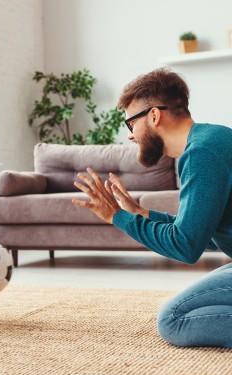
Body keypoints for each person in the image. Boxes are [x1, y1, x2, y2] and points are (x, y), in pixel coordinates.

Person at [72, 67, 232, 348]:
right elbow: (207, 237)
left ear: (154, 116)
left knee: (173, 319)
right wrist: (142, 214)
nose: (131, 135)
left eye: (130, 124)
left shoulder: (201, 153)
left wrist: (116, 216)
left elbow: (186, 246)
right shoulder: (211, 140)